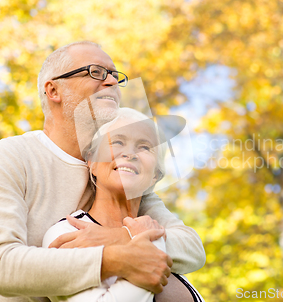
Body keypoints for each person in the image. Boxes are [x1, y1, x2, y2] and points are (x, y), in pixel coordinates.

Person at [0, 41, 205, 301]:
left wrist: (120, 237)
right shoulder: (10, 157)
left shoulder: (117, 173)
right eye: (96, 72)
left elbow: (190, 247)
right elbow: (1, 267)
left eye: (115, 75)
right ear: (53, 90)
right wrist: (114, 258)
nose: (112, 81)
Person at [42, 107, 204, 302]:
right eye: (117, 142)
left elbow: (195, 251)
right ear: (91, 162)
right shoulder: (69, 232)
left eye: (144, 147)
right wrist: (148, 244)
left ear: (155, 176)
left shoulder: (155, 229)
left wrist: (134, 237)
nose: (130, 153)